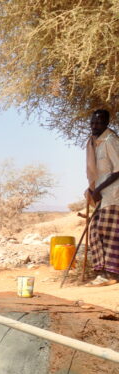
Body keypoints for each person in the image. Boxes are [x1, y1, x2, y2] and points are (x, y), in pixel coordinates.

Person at [85, 109, 119, 286]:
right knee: (94, 231)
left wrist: (99, 188)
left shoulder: (110, 140)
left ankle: (111, 274)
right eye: (92, 122)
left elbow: (118, 170)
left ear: (106, 123)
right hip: (101, 195)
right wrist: (93, 189)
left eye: (98, 122)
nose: (94, 126)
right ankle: (101, 272)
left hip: (113, 195)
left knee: (109, 233)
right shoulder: (94, 143)